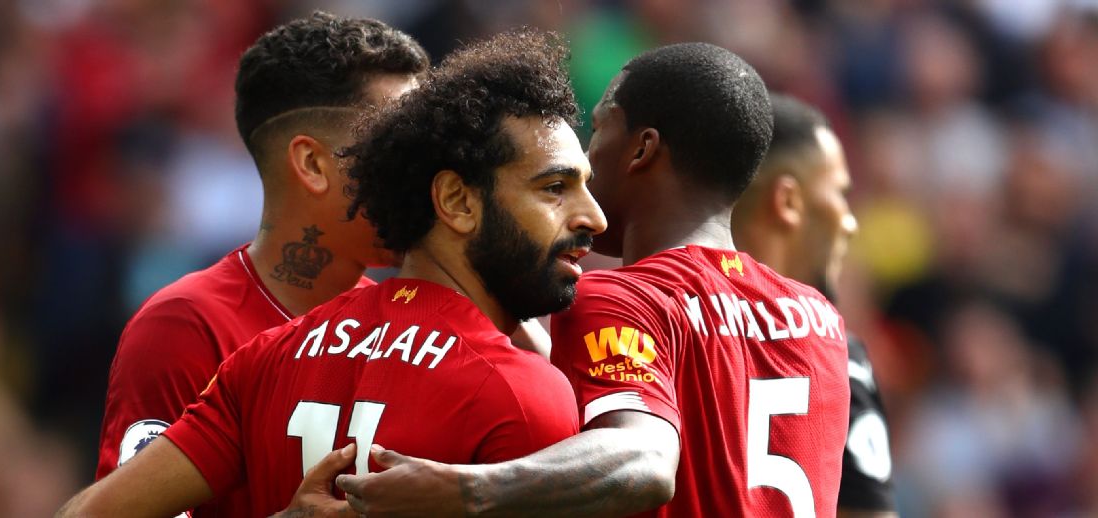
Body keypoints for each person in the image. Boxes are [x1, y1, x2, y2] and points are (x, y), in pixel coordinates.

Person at [58, 30, 607, 518]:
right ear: (313, 164)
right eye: (391, 137)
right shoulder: (190, 327)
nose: (417, 157)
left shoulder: (278, 353)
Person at [334, 43, 850, 518]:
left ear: (641, 149)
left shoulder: (623, 299)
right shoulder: (820, 319)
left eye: (599, 129)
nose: (586, 154)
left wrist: (468, 490)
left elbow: (646, 458)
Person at [93, 12, 428, 517]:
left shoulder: (410, 328)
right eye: (397, 149)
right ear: (312, 164)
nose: (422, 175)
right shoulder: (186, 327)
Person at [731, 94, 895, 517]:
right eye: (840, 193)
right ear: (788, 200)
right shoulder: (837, 358)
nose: (850, 222)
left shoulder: (667, 328)